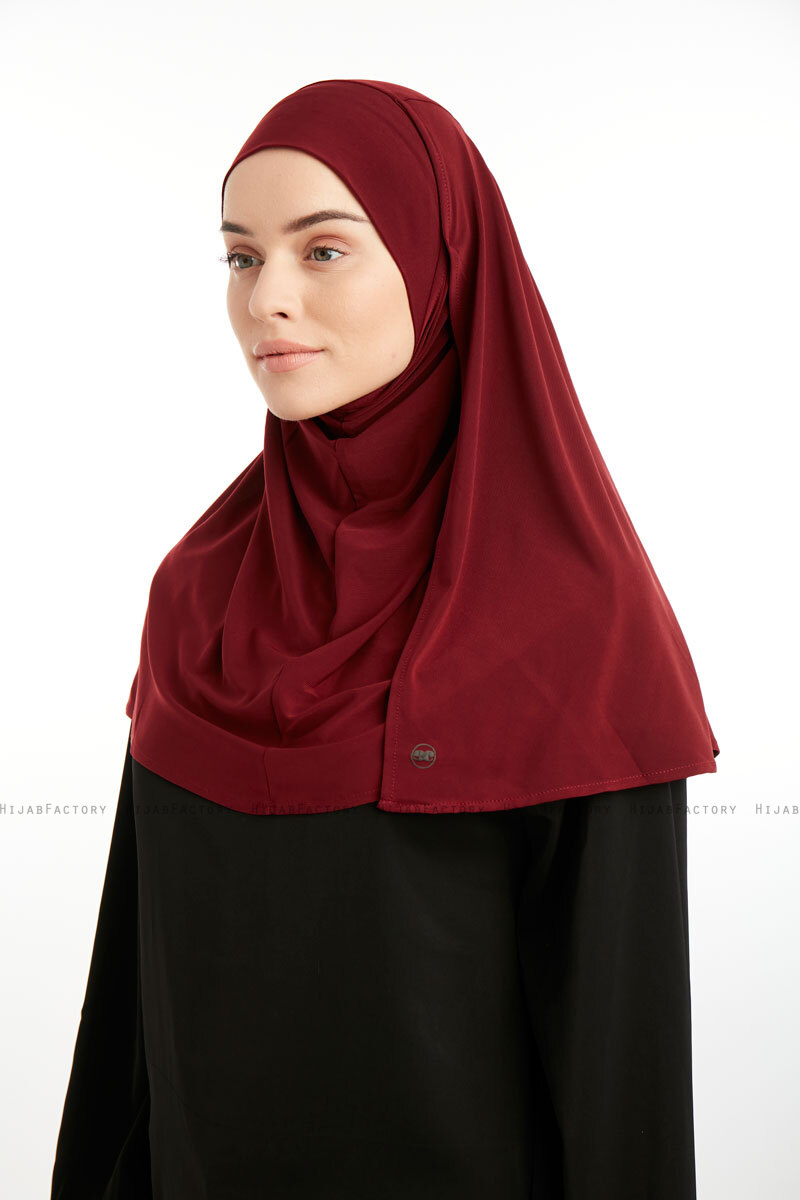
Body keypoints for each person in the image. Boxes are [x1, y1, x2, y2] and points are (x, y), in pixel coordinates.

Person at [50, 78, 719, 1199]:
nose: (265, 299)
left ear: (439, 264)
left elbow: (620, 1085)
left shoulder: (575, 625)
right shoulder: (198, 598)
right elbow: (131, 1014)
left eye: (322, 250)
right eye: (239, 256)